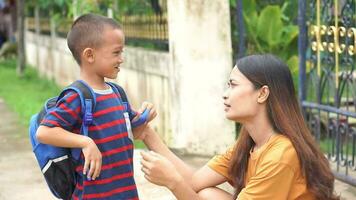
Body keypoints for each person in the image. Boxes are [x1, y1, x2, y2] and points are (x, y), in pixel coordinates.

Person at [140, 54, 338, 200]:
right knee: (208, 194)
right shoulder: (250, 145)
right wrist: (147, 134)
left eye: (233, 85)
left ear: (262, 94)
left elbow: (183, 184)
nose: (225, 94)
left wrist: (173, 182)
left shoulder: (281, 155)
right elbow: (194, 182)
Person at [36, 13, 156, 199]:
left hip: (125, 193)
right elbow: (44, 132)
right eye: (116, 52)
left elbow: (132, 130)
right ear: (89, 55)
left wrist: (145, 115)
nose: (121, 58)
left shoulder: (117, 93)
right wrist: (86, 142)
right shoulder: (76, 97)